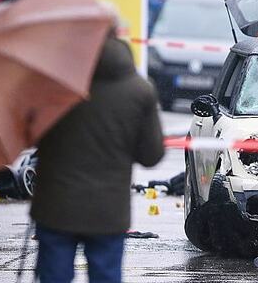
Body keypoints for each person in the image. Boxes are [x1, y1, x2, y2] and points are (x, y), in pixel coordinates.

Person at [30, 28, 165, 283]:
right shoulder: (139, 91)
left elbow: (31, 135)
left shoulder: (54, 86)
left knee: (53, 277)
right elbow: (151, 155)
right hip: (108, 212)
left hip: (56, 207)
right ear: (115, 34)